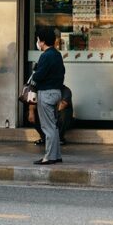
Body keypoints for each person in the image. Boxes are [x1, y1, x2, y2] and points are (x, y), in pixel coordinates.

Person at [31, 27, 65, 166]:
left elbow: (39, 76)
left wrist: (35, 72)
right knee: (54, 126)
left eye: (38, 39)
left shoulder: (45, 56)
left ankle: (49, 156)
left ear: (42, 41)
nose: (37, 42)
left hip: (46, 93)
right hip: (57, 92)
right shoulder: (57, 54)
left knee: (48, 127)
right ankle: (56, 155)